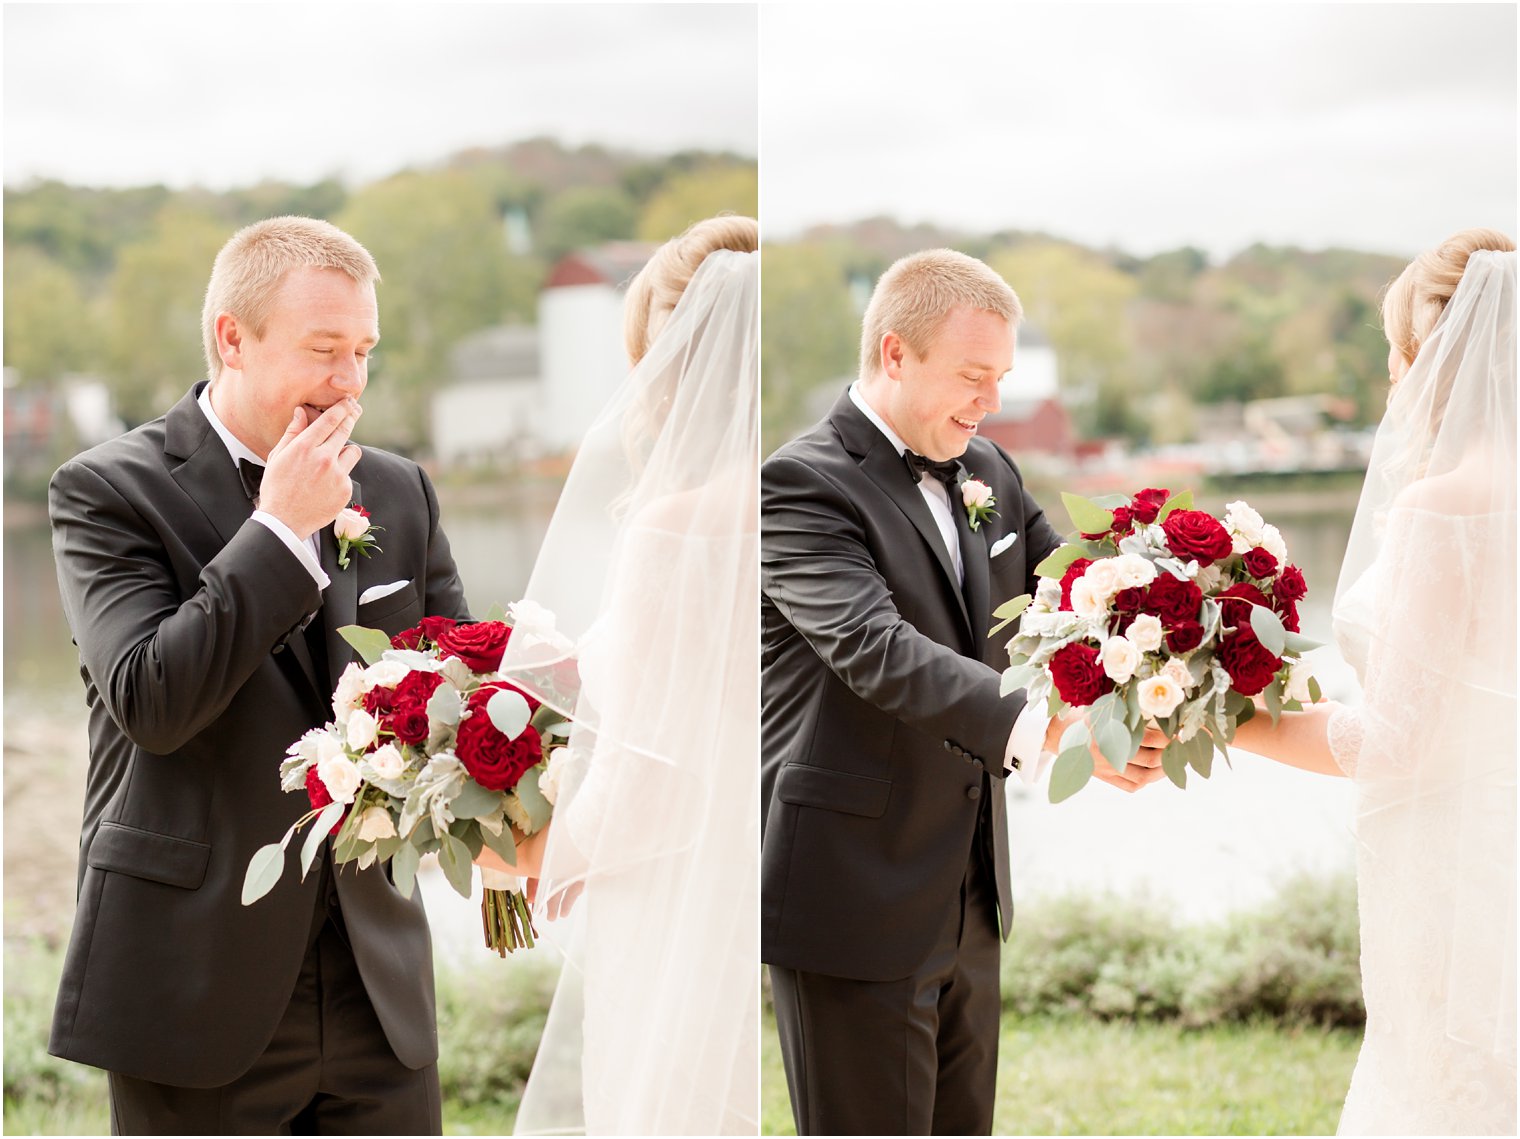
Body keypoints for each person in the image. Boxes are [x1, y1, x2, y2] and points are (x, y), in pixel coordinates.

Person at [47, 216, 470, 1134]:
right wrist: (279, 532)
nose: (350, 381)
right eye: (324, 349)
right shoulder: (106, 491)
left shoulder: (398, 488)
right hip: (192, 979)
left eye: (364, 351)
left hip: (376, 984)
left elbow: (454, 683)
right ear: (232, 338)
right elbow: (153, 703)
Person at [760, 248, 1164, 1136]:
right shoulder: (797, 486)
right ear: (895, 354)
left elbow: (1066, 597)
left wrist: (1179, 619)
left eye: (1002, 378)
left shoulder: (988, 469)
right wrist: (1053, 732)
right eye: (974, 375)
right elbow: (877, 648)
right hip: (852, 894)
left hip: (969, 890)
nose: (991, 401)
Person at [1228, 229, 1516, 1134]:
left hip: (1456, 865)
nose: (1394, 382)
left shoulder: (1447, 506)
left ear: (1429, 360)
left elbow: (1393, 741)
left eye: (1396, 354)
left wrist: (1230, 718)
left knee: (1446, 1088)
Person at [480, 215, 760, 1134]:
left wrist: (531, 851)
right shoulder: (807, 502)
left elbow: (651, 769)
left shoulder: (678, 524)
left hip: (679, 885)